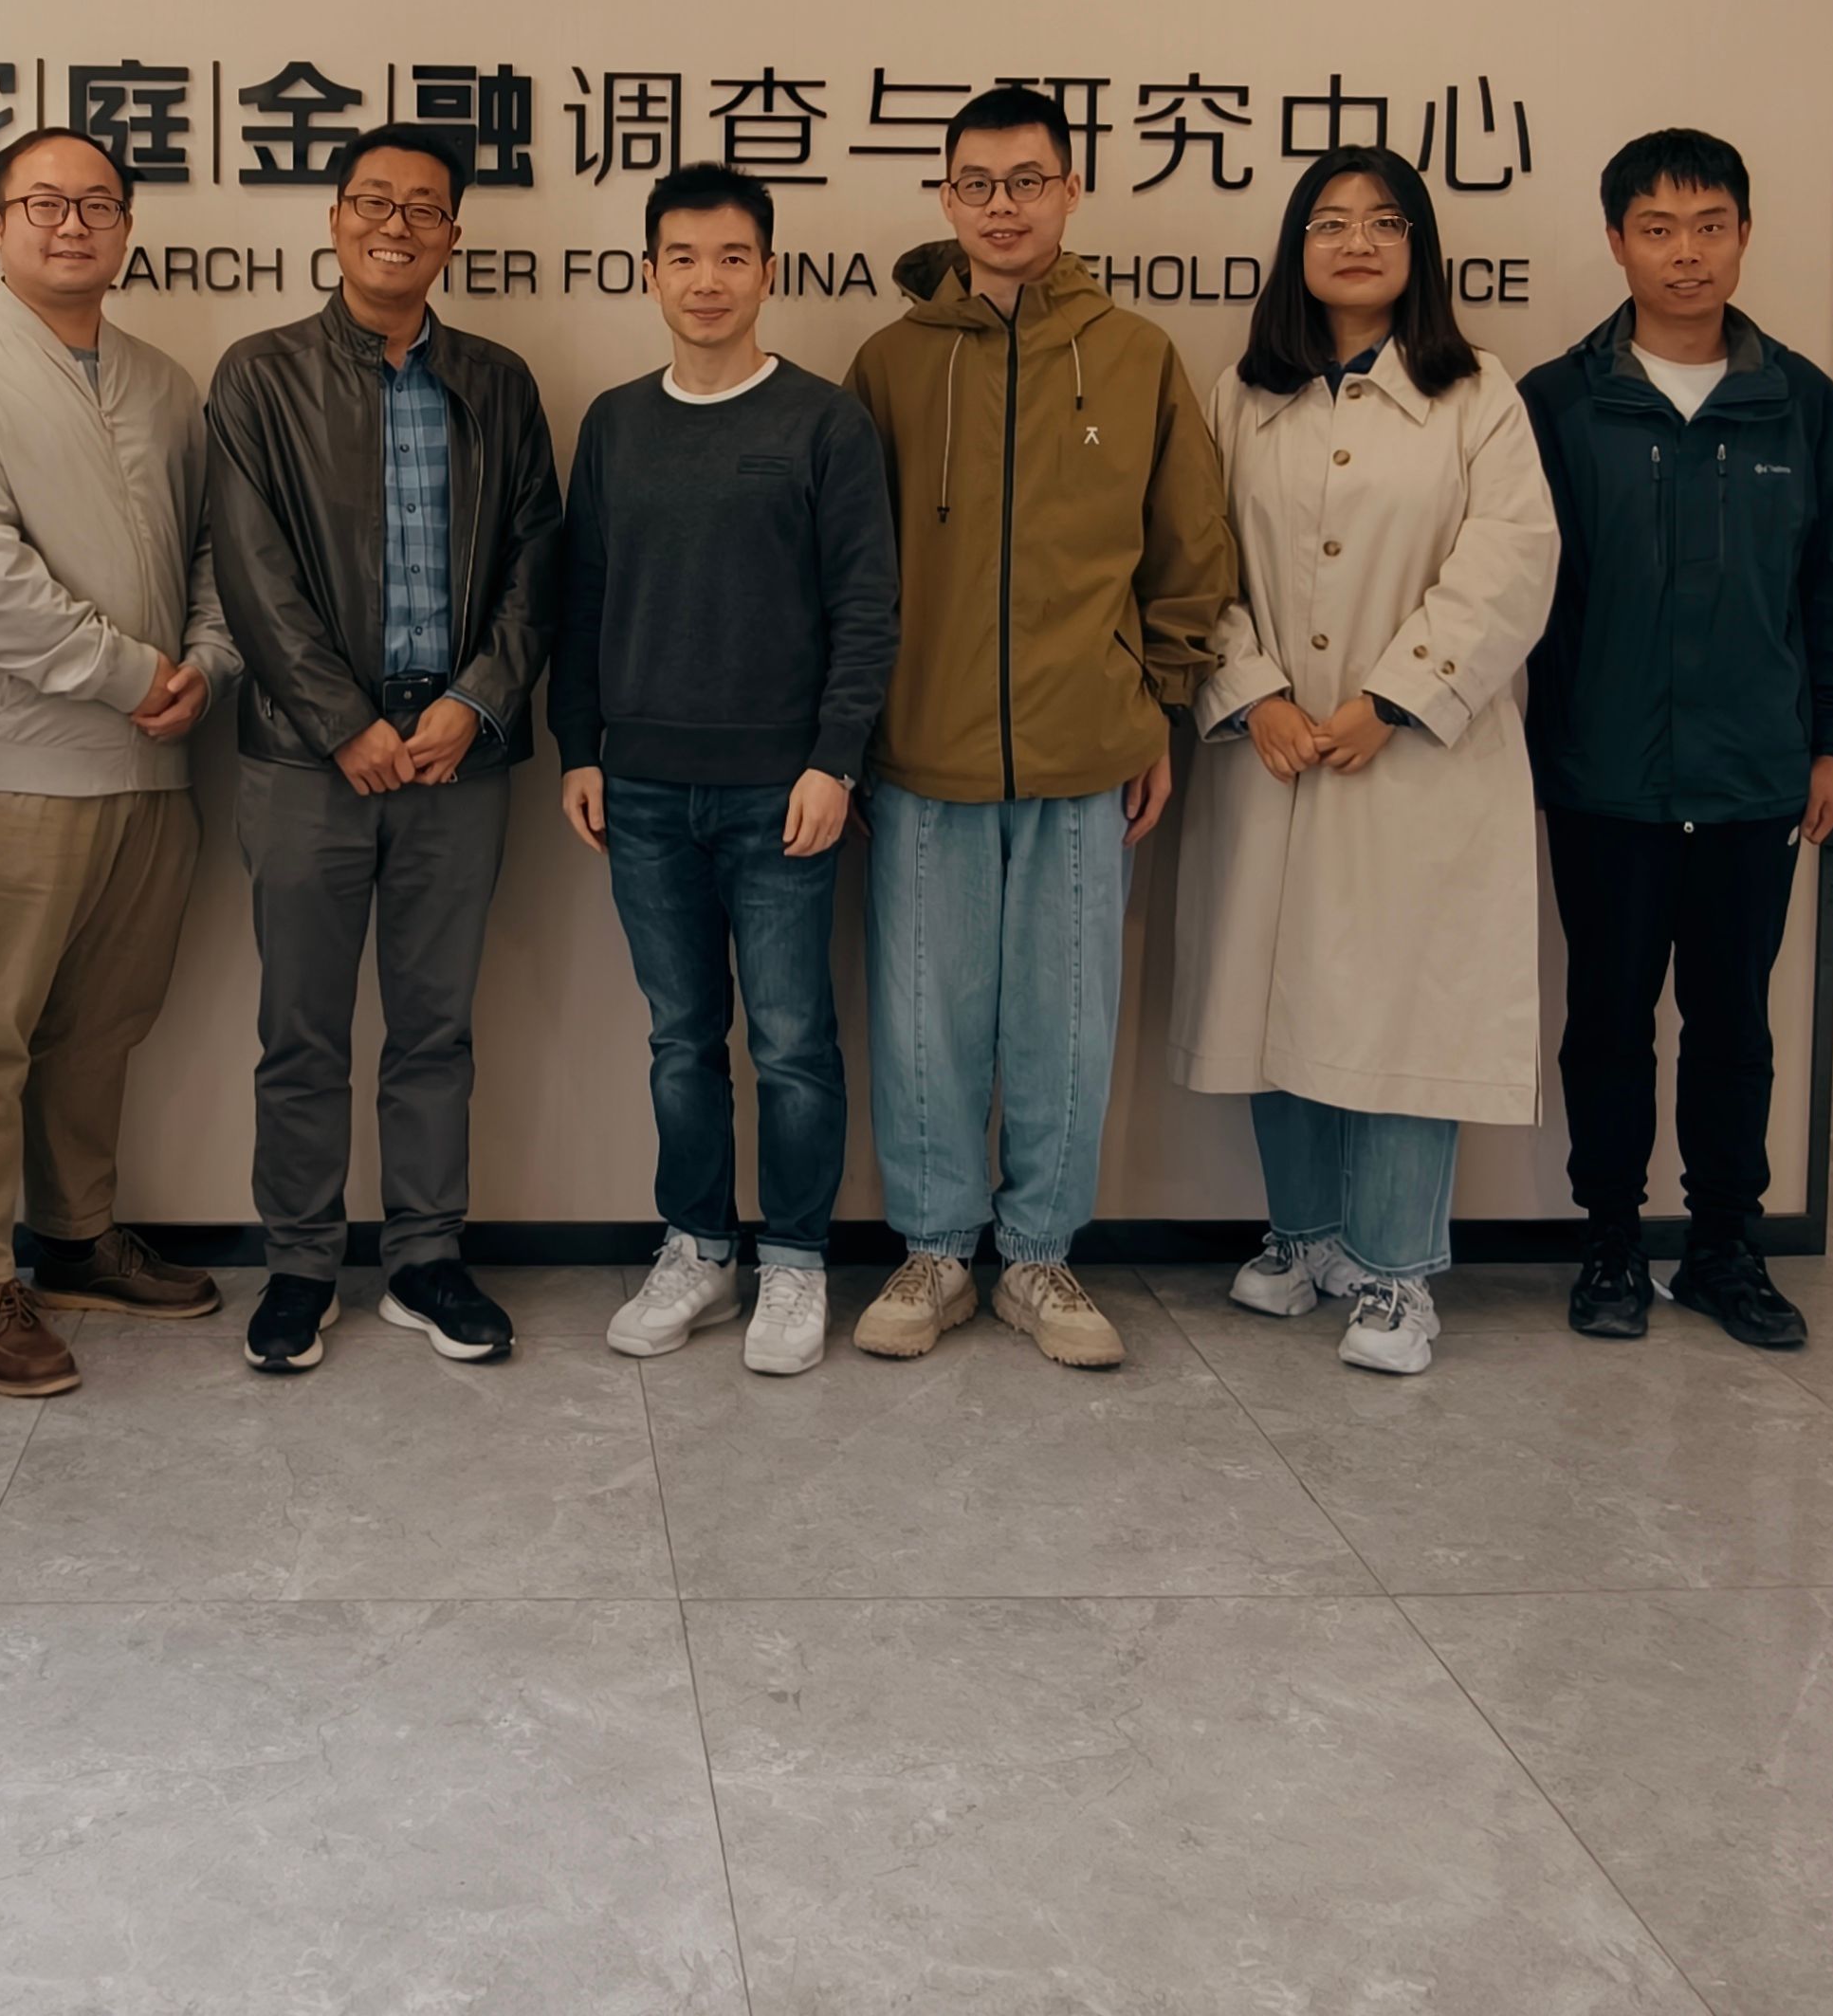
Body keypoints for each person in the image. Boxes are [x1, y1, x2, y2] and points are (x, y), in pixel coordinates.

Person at [843, 83, 1237, 1369]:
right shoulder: (892, 362)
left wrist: (1157, 711)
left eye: (1026, 181)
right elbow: (848, 567)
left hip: (1086, 750)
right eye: (976, 183)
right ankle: (935, 1251)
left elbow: (1188, 551)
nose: (1001, 206)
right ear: (946, 196)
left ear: (1073, 191)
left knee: (1066, 1019)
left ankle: (1041, 1258)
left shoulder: (1133, 355)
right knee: (926, 1017)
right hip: (922, 751)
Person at [1169, 147, 1558, 1377]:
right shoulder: (1242, 395)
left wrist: (1396, 697)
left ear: (1418, 249)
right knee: (1274, 997)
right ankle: (1304, 1238)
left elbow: (1511, 560)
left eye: (1384, 223)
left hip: (1418, 762)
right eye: (1329, 222)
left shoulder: (1475, 392)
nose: (1356, 242)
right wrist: (1252, 693)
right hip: (1275, 754)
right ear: (1295, 248)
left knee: (1402, 1013)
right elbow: (1195, 555)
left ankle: (1396, 1275)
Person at [207, 124, 562, 1373]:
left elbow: (536, 561)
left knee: (434, 1028)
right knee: (299, 1031)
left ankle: (424, 1258)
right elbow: (250, 567)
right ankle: (300, 1268)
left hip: (456, 758)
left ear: (454, 233)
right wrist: (341, 723)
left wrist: (477, 701)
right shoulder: (258, 375)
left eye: (423, 207)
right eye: (372, 201)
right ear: (334, 220)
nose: (395, 225)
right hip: (307, 761)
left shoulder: (497, 381)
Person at [0, 127, 235, 1400]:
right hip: (14, 762)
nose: (72, 224)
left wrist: (205, 662)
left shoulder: (165, 382)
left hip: (155, 765)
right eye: (43, 202)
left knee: (104, 1026)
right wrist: (128, 673)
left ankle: (78, 1240)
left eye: (97, 203)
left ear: (128, 226)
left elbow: (215, 551)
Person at [1523, 127, 1833, 1351]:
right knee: (1608, 1022)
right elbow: (1524, 599)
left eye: (1710, 226)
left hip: (1752, 778)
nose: (1687, 253)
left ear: (1743, 235)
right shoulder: (1558, 403)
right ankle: (1611, 1243)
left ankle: (1725, 1246)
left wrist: (1829, 743)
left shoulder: (1801, 403)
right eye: (1659, 229)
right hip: (1603, 777)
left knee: (1735, 1027)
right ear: (1616, 242)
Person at [558, 165, 897, 1378]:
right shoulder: (614, 423)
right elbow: (581, 596)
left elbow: (867, 608)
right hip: (642, 791)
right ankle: (698, 1245)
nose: (708, 281)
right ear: (649, 272)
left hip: (781, 792)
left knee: (793, 1041)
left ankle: (794, 1260)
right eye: (684, 258)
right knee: (679, 1039)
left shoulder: (823, 422)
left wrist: (834, 762)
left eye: (733, 257)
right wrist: (578, 747)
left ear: (769, 271)